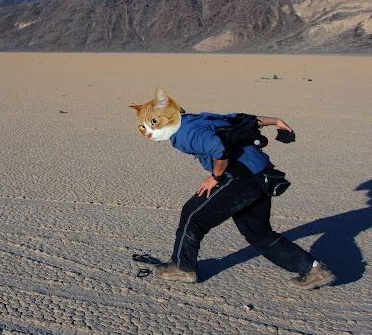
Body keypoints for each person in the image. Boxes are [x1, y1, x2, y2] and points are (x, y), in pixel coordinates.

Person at [130, 87, 335, 290]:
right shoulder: (196, 118)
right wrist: (275, 121)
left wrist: (214, 177)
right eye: (145, 127)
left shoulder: (185, 134)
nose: (150, 133)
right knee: (259, 233)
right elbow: (236, 119)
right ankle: (314, 269)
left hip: (241, 178)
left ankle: (183, 268)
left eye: (153, 124)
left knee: (193, 214)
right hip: (263, 174)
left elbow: (219, 149)